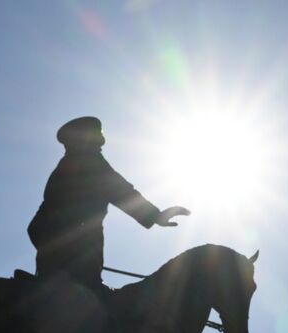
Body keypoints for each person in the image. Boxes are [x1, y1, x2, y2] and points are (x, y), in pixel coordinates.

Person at [27, 116, 189, 295]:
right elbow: (121, 190)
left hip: (57, 248)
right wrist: (155, 215)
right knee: (92, 297)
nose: (101, 145)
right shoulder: (89, 162)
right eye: (97, 139)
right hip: (76, 244)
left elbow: (36, 226)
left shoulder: (67, 165)